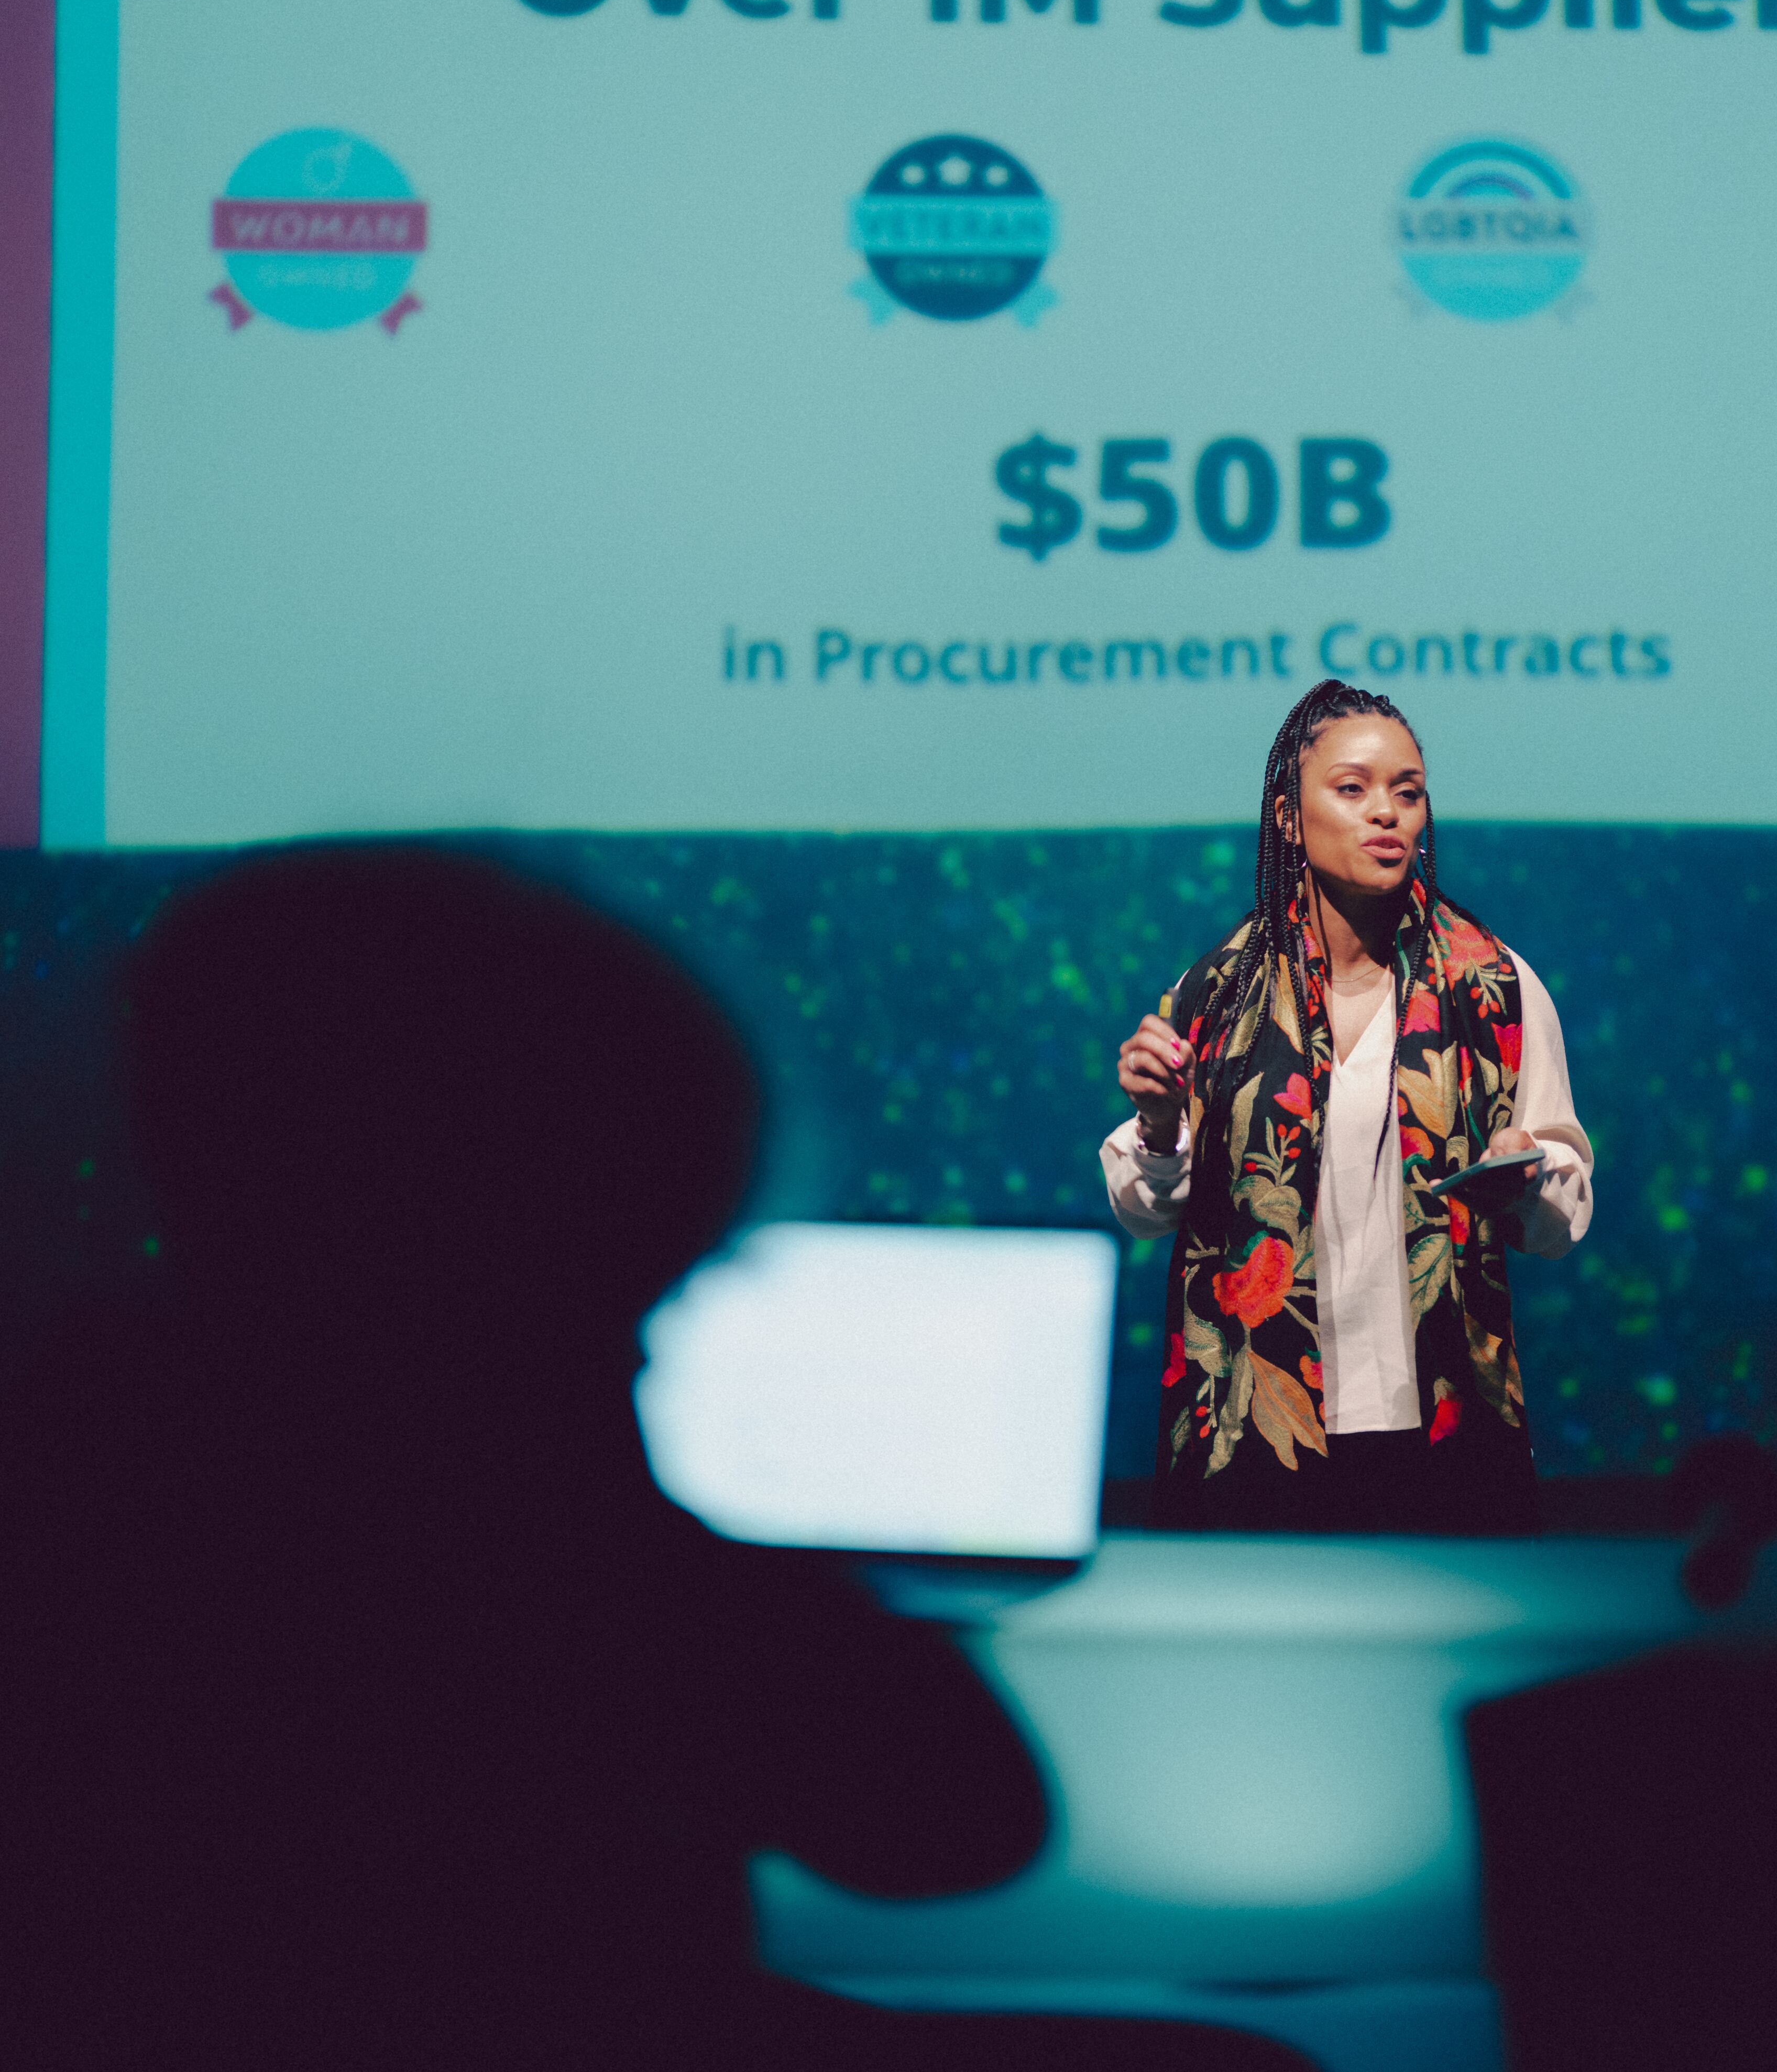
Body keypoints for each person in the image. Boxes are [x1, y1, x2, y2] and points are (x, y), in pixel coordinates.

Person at [0, 843, 1310, 2070]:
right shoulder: (532, 1532)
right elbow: (954, 1823)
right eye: (637, 1298)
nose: (633, 1355)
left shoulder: (96, 1475)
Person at [1102, 682, 1593, 1532]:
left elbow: (1563, 1215)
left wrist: (1527, 1175)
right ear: (1290, 818)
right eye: (1353, 788)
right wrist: (1156, 1120)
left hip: (1438, 1424)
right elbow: (1148, 1212)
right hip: (1255, 1425)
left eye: (1408, 792)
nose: (1386, 813)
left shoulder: (1495, 988)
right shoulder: (1218, 993)